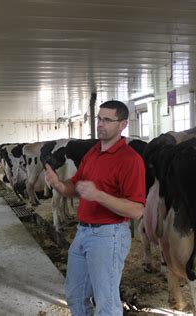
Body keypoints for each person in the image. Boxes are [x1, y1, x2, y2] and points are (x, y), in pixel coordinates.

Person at [45, 100, 146, 316]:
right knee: (75, 295)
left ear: (123, 125)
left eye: (107, 120)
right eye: (99, 118)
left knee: (106, 304)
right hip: (83, 232)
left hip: (109, 236)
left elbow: (137, 210)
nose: (100, 124)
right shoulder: (93, 153)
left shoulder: (130, 160)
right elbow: (76, 186)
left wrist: (99, 195)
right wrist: (59, 185)